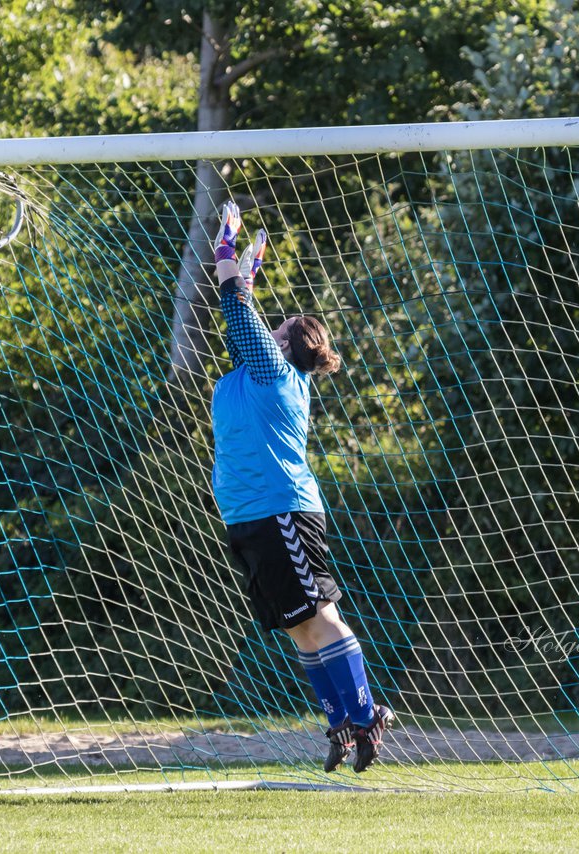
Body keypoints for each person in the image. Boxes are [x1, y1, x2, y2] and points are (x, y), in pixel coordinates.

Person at [209, 201, 393, 773]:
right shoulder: (255, 371)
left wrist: (226, 249)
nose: (272, 326)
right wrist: (250, 266)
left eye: (279, 327)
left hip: (281, 512)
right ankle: (340, 722)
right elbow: (245, 323)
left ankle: (365, 714)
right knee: (297, 626)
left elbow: (239, 314)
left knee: (321, 615)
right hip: (249, 517)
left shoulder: (276, 373)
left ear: (284, 345)